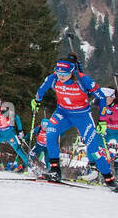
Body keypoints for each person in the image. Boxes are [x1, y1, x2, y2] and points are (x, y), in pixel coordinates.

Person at [32, 54, 113, 186]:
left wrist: (102, 120)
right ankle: (54, 170)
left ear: (72, 71)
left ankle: (109, 179)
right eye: (58, 73)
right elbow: (42, 89)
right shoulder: (53, 79)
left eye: (64, 73)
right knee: (50, 133)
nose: (61, 76)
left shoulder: (83, 80)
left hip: (82, 116)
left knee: (93, 148)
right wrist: (37, 101)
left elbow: (102, 97)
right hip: (63, 113)